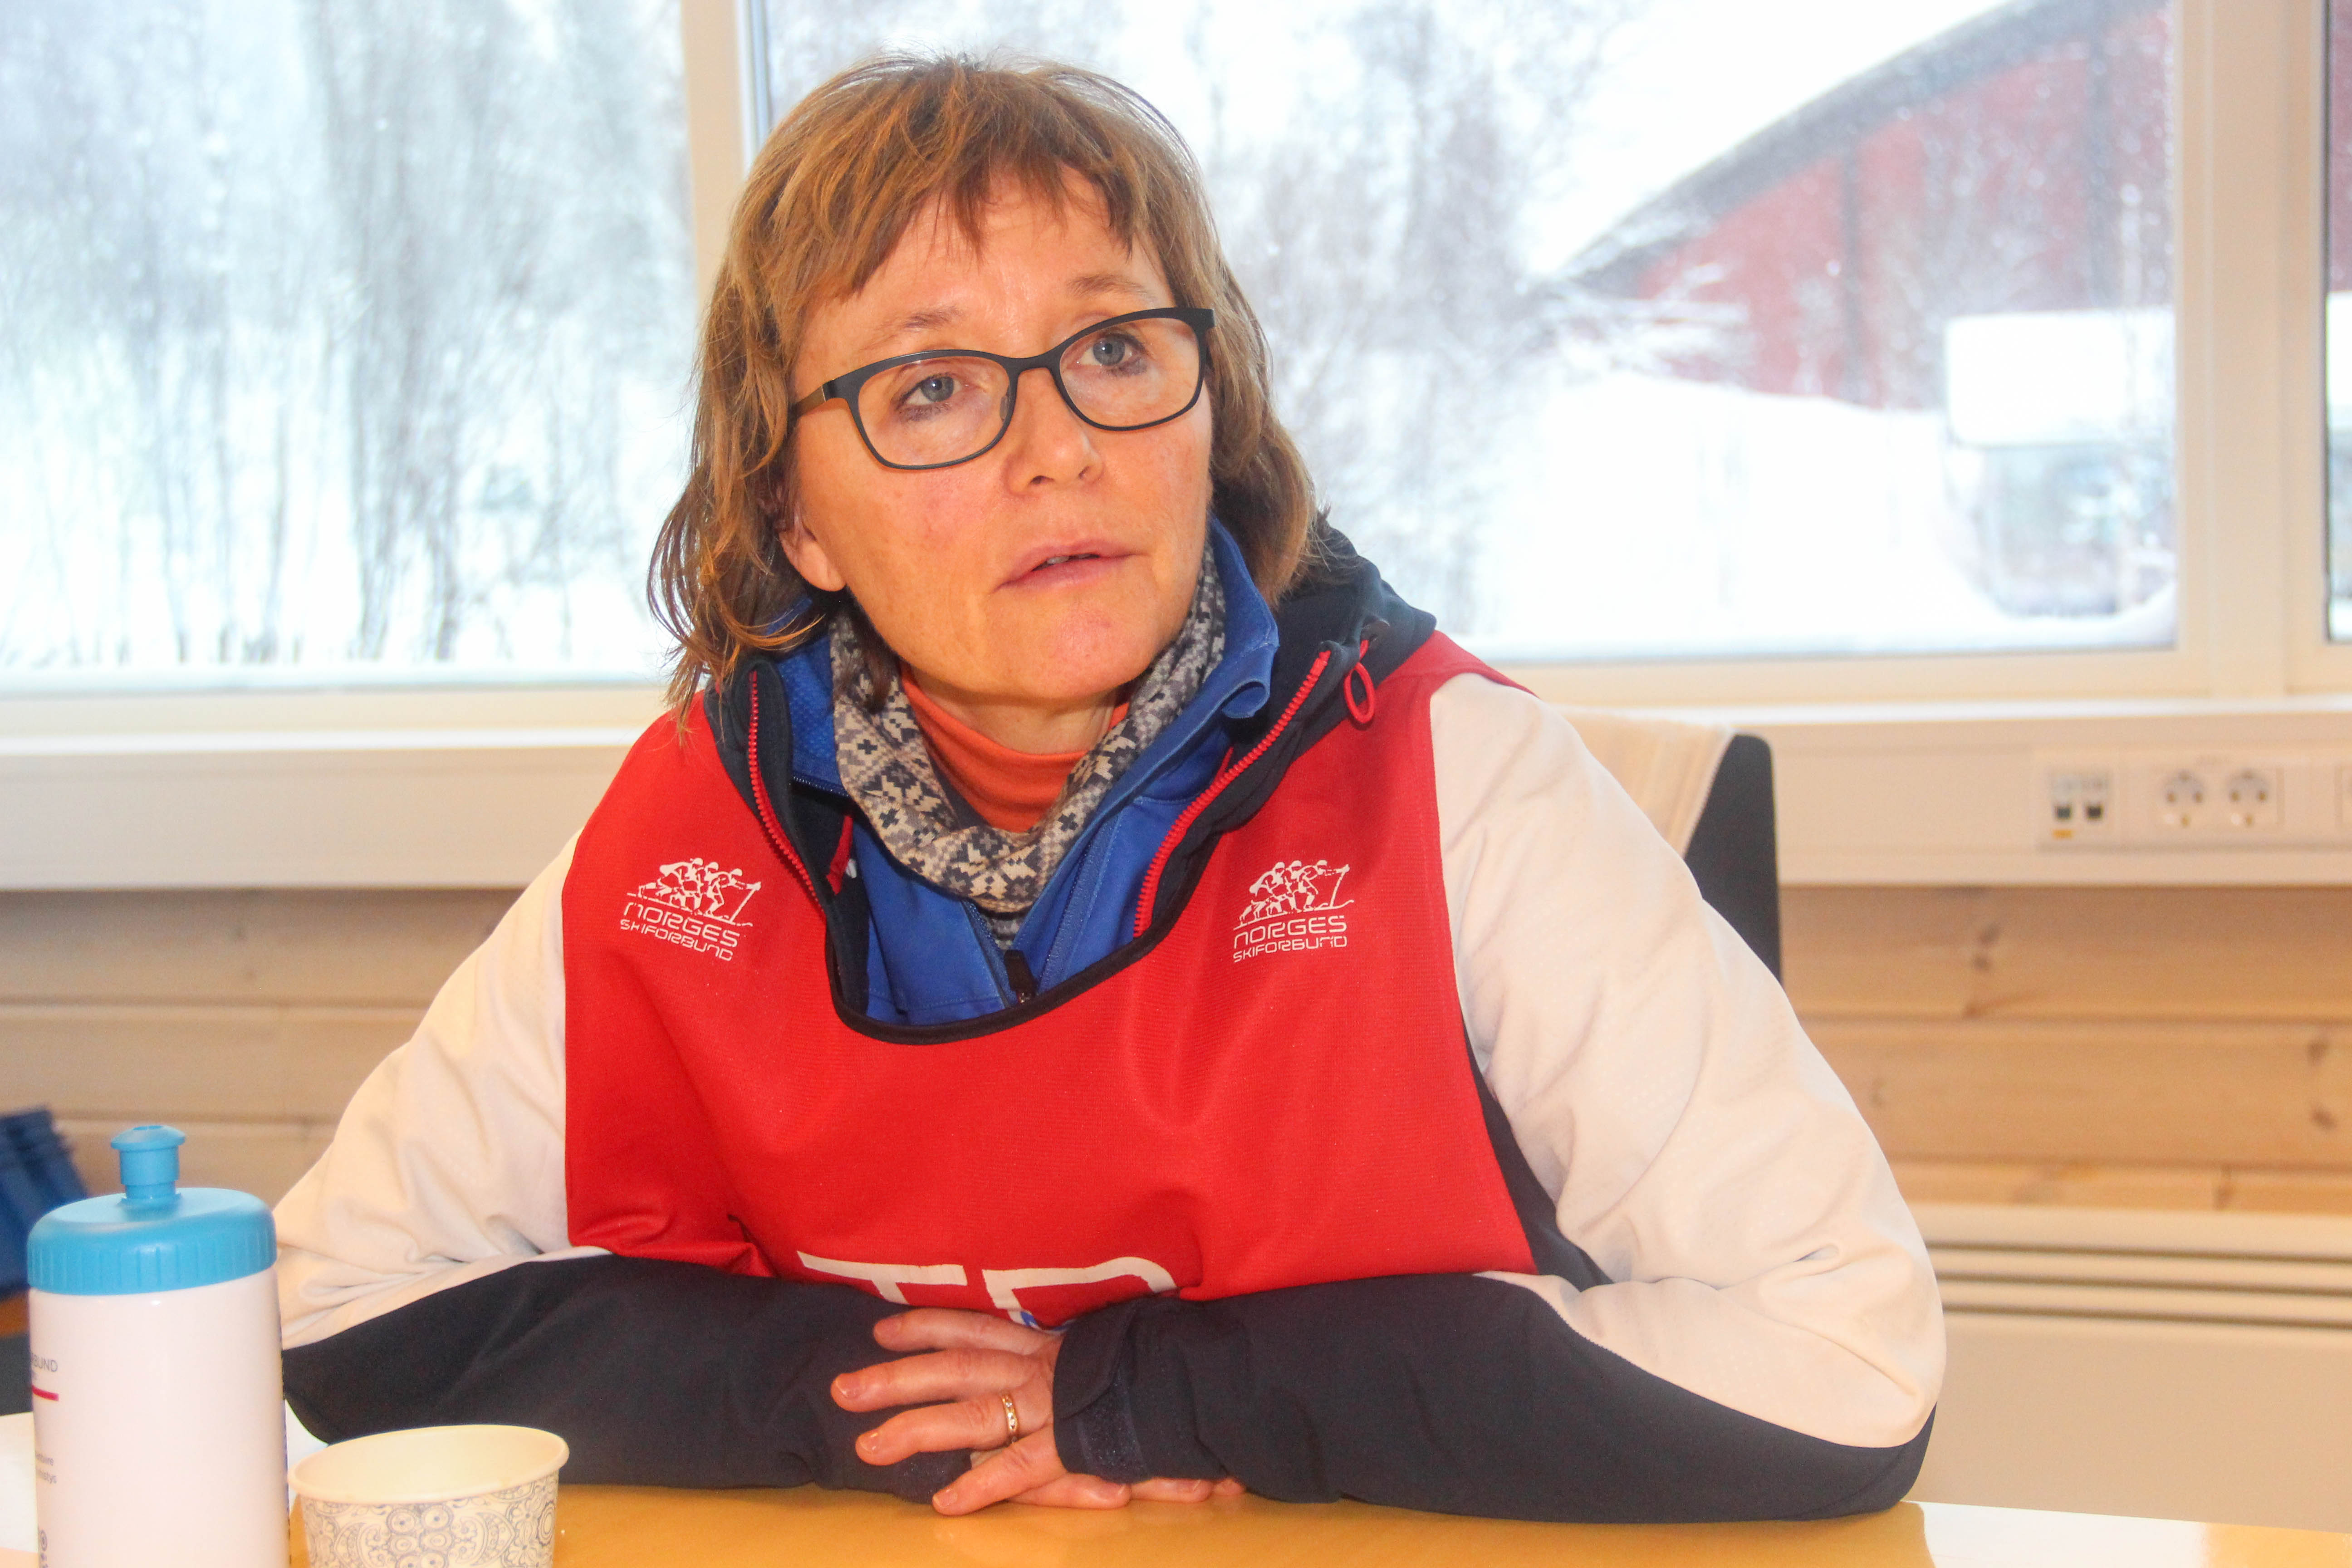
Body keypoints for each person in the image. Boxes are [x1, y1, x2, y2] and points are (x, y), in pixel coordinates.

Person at [272, 54, 1942, 1522]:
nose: (1061, 446)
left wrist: (1146, 1392)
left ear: (1209, 408)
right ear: (793, 515)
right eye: (932, 387)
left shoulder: (1453, 781)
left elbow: (1844, 1360)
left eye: (1118, 349)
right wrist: (872, 1404)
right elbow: (334, 1298)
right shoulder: (689, 835)